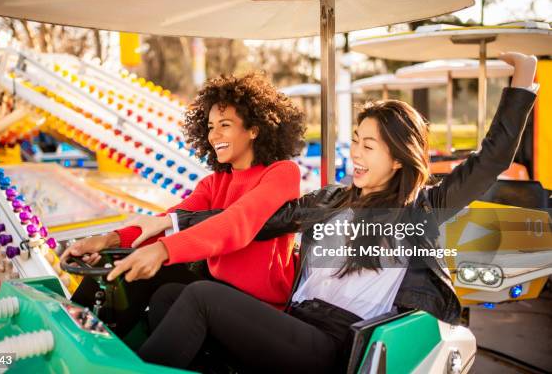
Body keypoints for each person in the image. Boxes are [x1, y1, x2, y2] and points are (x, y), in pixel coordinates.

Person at [137, 52, 539, 372]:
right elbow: (254, 221)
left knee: (202, 298)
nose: (356, 154)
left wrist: (522, 79)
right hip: (295, 321)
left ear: (398, 158)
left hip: (336, 342)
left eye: (369, 145)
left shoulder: (422, 209)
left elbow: (490, 159)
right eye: (355, 141)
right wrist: (171, 223)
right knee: (172, 294)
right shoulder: (331, 201)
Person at [60, 72, 306, 336]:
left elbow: (236, 223)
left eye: (225, 125)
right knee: (124, 269)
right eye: (211, 127)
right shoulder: (214, 182)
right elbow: (170, 220)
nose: (214, 135)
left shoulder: (282, 172)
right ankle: (73, 338)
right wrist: (109, 241)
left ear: (254, 129)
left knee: (159, 273)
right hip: (216, 287)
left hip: (261, 305)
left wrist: (163, 251)